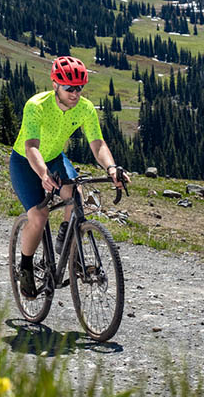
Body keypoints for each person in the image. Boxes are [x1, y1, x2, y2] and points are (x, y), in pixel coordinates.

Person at [9, 55, 128, 297]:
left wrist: (112, 168)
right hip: (25, 161)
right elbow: (31, 146)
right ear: (55, 85)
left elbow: (97, 144)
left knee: (76, 196)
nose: (75, 93)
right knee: (39, 216)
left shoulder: (84, 108)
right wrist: (42, 174)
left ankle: (67, 248)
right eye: (69, 88)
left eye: (79, 88)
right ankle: (25, 268)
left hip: (54, 157)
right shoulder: (36, 106)